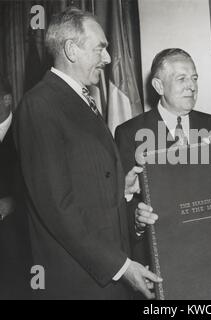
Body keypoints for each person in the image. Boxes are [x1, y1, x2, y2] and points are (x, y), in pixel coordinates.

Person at [13, 7, 161, 300]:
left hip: (106, 273)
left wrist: (123, 190)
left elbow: (84, 181)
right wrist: (121, 266)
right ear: (71, 50)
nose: (107, 59)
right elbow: (57, 207)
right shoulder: (40, 105)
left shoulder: (79, 100)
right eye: (100, 49)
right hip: (81, 282)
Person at [115, 48, 211, 268]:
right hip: (163, 258)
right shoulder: (128, 133)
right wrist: (137, 221)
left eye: (194, 78)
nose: (192, 86)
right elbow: (124, 202)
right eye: (181, 78)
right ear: (158, 86)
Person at [0, 79, 32, 299]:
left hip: (18, 238)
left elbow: (44, 182)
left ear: (7, 100)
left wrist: (14, 202)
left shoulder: (28, 131)